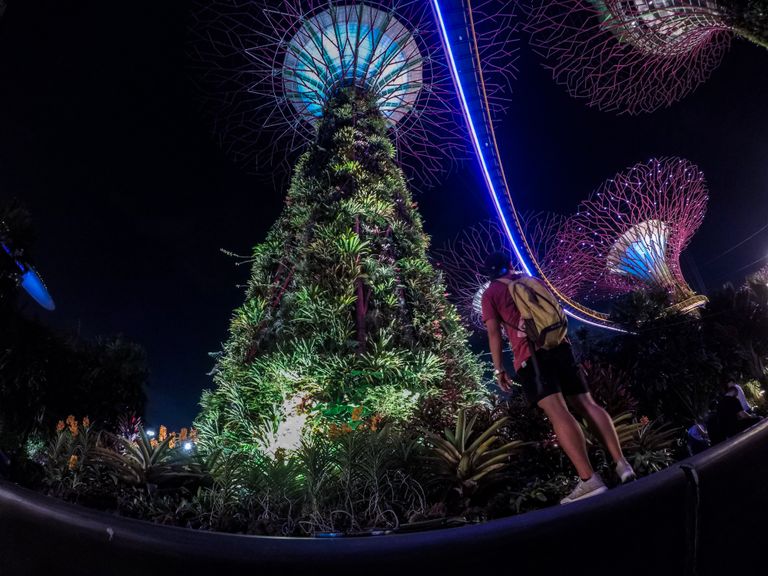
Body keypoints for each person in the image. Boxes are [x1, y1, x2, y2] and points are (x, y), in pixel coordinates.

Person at [481, 251, 635, 504]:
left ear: (488, 274)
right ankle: (622, 464)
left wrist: (499, 369)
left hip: (531, 355)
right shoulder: (531, 280)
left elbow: (494, 334)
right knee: (587, 404)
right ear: (510, 264)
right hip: (561, 346)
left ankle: (589, 480)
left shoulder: (491, 294)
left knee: (557, 412)